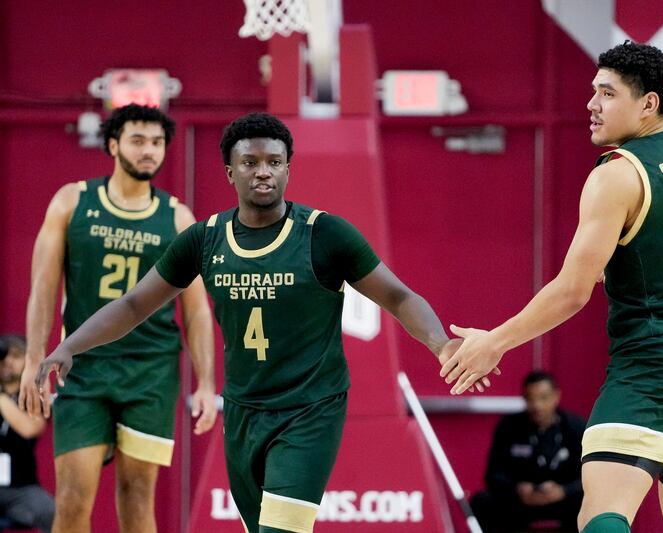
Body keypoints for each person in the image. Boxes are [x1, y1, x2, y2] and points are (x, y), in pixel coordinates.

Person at [27, 112, 492, 533]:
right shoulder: (204, 238)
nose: (263, 171)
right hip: (245, 411)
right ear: (231, 172)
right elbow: (132, 305)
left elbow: (399, 296)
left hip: (310, 409)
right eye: (250, 163)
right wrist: (70, 346)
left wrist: (440, 344)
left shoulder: (325, 234)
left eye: (274, 161)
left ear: (289, 167)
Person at [440, 41, 663, 533]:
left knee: (602, 514)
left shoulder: (616, 175)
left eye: (606, 93)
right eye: (593, 92)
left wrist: (494, 342)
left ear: (648, 103)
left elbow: (572, 291)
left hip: (657, 360)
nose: (591, 105)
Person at [18, 104, 217, 533]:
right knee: (71, 499)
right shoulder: (72, 201)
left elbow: (197, 308)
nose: (150, 151)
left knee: (137, 498)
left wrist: (205, 383)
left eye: (158, 142)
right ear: (113, 144)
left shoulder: (179, 218)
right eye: (138, 140)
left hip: (151, 372)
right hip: (83, 368)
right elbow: (44, 286)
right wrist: (35, 355)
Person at [471, 371, 585, 533]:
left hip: (562, 499)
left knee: (590, 501)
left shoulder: (576, 427)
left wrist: (563, 491)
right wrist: (517, 489)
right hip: (521, 501)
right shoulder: (509, 426)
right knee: (482, 501)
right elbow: (493, 475)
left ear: (556, 396)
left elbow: (589, 477)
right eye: (530, 398)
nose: (537, 405)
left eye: (543, 398)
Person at [0, 335, 54, 533]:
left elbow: (31, 428)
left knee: (50, 511)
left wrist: (1, 399)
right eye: (4, 356)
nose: (7, 362)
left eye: (15, 356)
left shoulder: (33, 396)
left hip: (21, 489)